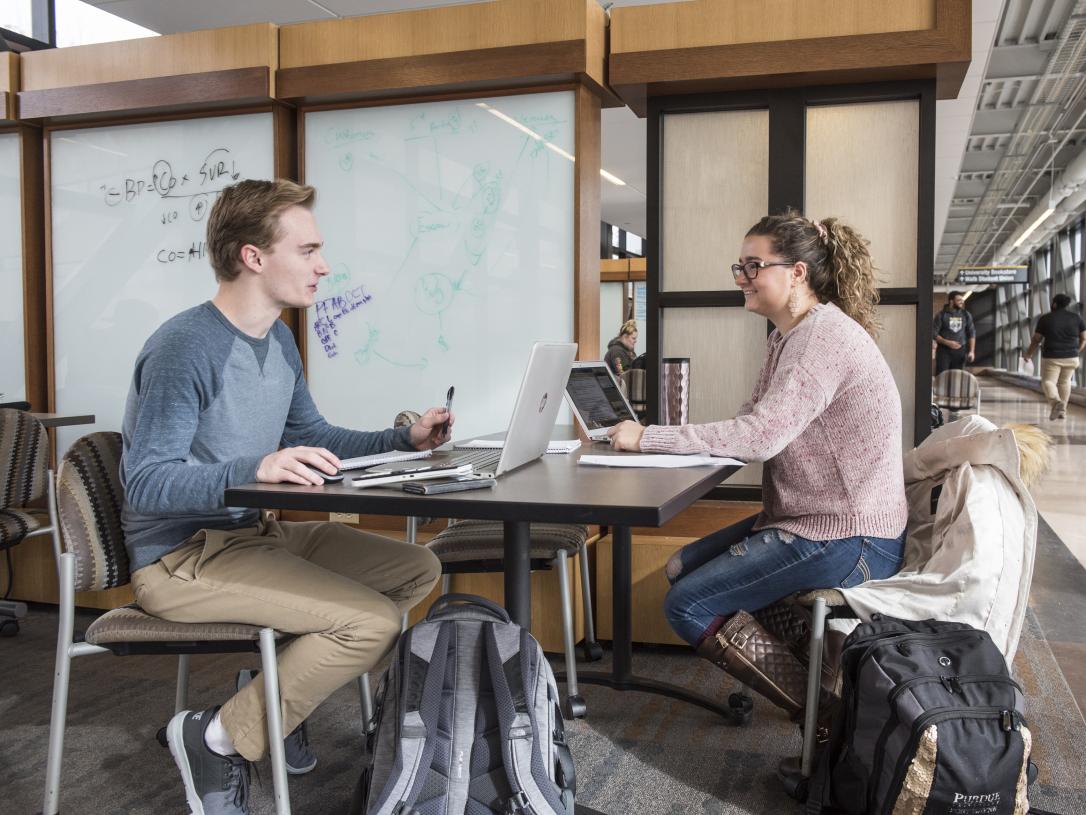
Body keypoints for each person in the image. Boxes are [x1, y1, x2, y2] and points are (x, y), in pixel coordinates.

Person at [121, 179, 444, 814]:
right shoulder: (185, 346)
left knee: (417, 567)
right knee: (370, 621)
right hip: (181, 555)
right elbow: (146, 481)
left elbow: (314, 437)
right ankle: (214, 738)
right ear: (253, 257)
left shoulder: (278, 338)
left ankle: (271, 695)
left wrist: (404, 438)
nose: (324, 266)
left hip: (250, 536)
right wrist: (259, 466)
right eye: (309, 250)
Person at [607, 211, 907, 719]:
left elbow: (760, 437)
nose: (742, 278)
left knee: (687, 604)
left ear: (797, 273)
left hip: (846, 535)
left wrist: (648, 438)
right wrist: (670, 444)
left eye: (754, 266)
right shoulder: (787, 335)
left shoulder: (821, 339)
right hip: (813, 520)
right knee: (682, 568)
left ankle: (823, 717)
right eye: (739, 267)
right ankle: (817, 671)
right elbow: (753, 421)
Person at [1023, 293, 1086, 420]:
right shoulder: (1076, 318)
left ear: (1054, 304)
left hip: (1052, 356)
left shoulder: (1046, 319)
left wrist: (1029, 354)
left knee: (1048, 382)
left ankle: (1056, 402)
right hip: (1072, 357)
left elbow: (1037, 339)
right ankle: (1062, 412)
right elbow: (1084, 338)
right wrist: (1076, 351)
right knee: (1064, 382)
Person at [932, 290, 975, 374]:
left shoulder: (966, 315)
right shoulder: (941, 315)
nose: (962, 302)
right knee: (942, 376)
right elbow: (933, 333)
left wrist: (971, 351)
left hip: (960, 351)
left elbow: (972, 333)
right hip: (943, 351)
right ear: (951, 301)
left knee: (958, 377)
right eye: (959, 300)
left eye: (962, 300)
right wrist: (947, 342)